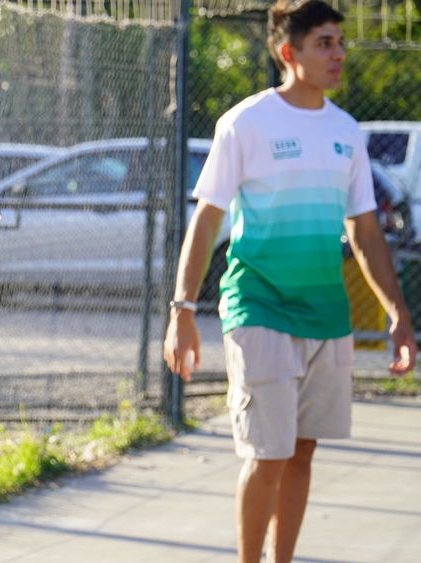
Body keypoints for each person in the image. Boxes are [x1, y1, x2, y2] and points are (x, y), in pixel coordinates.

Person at [163, 2, 416, 562]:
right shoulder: (245, 123)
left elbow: (366, 231)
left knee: (303, 451)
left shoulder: (346, 131)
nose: (338, 54)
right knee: (268, 453)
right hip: (259, 307)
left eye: (339, 43)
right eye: (324, 43)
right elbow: (206, 222)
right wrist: (182, 310)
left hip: (327, 316)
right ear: (288, 53)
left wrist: (398, 315)